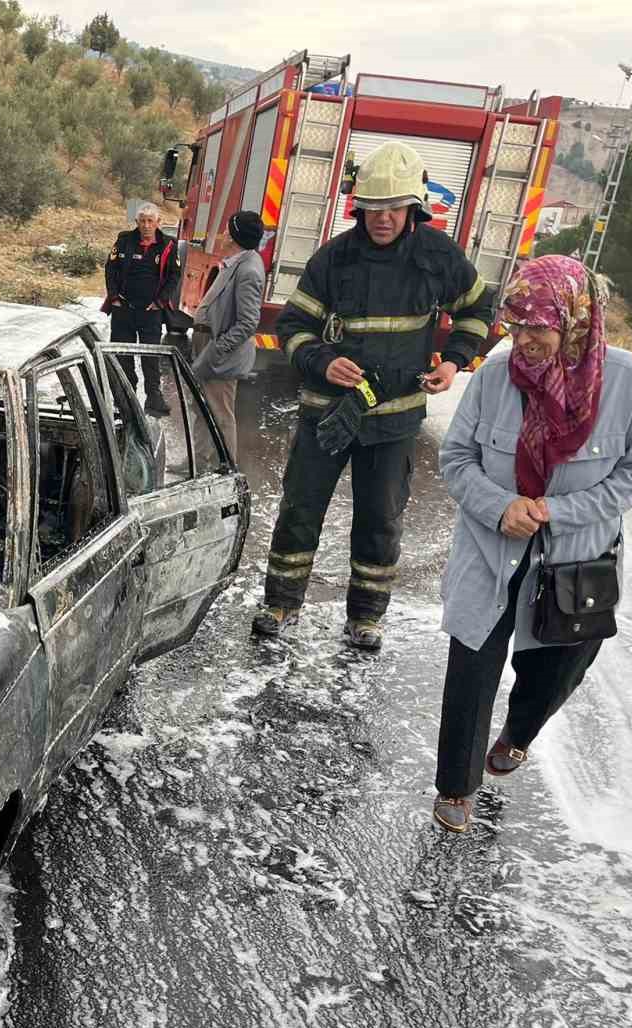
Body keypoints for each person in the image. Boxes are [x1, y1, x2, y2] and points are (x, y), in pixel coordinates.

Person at [431, 257, 632, 832]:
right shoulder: (494, 376)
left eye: (539, 326)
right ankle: (456, 785)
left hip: (575, 557)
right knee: (472, 666)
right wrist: (500, 506)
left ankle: (519, 733)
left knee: (559, 667)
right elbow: (456, 458)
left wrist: (557, 513)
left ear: (577, 319)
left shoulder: (627, 380)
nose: (526, 340)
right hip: (492, 550)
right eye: (516, 326)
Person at [256, 141, 497, 651]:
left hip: (393, 420)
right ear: (357, 207)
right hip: (328, 414)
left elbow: (479, 310)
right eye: (371, 208)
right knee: (301, 508)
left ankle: (366, 616)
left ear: (414, 208)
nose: (381, 219)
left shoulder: (438, 258)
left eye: (391, 208)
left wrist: (454, 361)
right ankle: (280, 601)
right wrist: (322, 360)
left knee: (380, 519)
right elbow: (294, 326)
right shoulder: (334, 258)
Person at [189, 210, 264, 462]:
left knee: (220, 413)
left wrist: (217, 349)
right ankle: (198, 461)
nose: (221, 234)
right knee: (202, 406)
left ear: (234, 237)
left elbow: (248, 322)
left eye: (226, 230)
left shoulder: (249, 271)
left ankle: (226, 468)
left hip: (221, 356)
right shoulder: (236, 262)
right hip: (209, 346)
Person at [104, 202, 181, 418]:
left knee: (150, 356)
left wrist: (160, 302)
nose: (146, 225)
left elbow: (174, 276)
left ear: (158, 222)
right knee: (122, 356)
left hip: (151, 312)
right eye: (142, 221)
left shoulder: (167, 245)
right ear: (136, 222)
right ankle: (125, 400)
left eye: (150, 221)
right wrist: (113, 297)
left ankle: (153, 398)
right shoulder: (124, 240)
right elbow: (110, 268)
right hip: (124, 310)